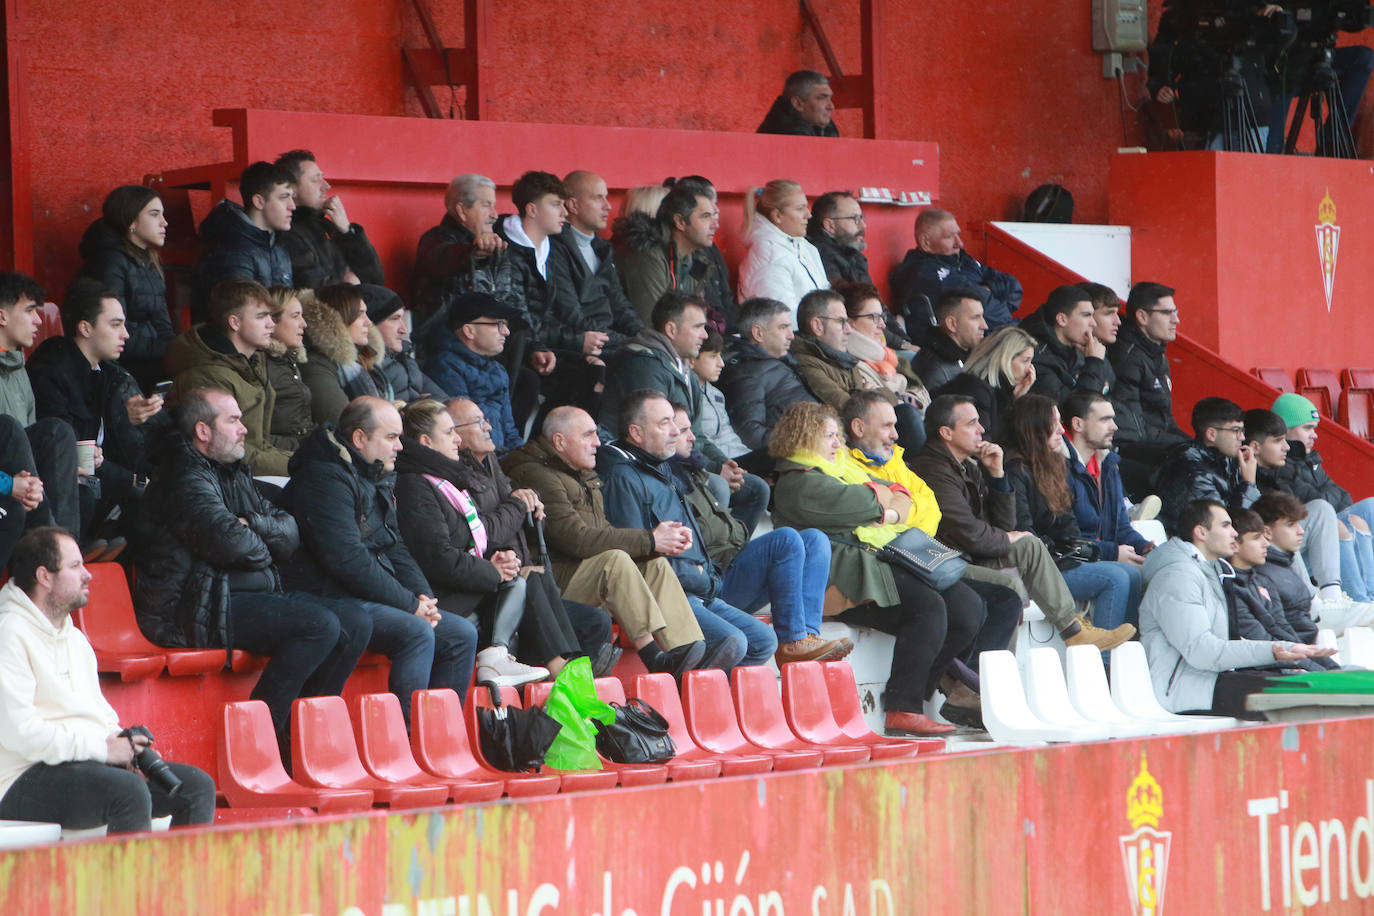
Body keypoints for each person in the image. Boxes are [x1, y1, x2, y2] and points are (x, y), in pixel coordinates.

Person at [132, 389, 369, 749]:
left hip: (242, 595)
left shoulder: (233, 471)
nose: (244, 429)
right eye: (233, 420)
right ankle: (256, 743)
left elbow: (290, 535)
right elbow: (230, 543)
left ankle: (302, 738)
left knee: (356, 622)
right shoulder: (183, 476)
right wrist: (260, 538)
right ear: (203, 431)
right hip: (194, 607)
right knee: (318, 625)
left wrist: (251, 525)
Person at [769, 401, 984, 736]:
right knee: (928, 608)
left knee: (969, 608)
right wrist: (886, 505)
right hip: (842, 582)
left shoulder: (840, 469)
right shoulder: (799, 483)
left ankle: (917, 693)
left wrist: (888, 503)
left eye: (837, 435)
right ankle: (902, 708)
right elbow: (870, 502)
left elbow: (901, 492)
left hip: (871, 566)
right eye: (829, 437)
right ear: (804, 437)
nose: (839, 444)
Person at [0, 527, 216, 833]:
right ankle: (126, 883)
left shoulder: (74, 638)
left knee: (195, 788)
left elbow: (99, 715)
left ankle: (182, 883)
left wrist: (124, 748)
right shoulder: (8, 633)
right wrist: (102, 750)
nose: (88, 575)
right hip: (18, 778)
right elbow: (20, 734)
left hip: (79, 765)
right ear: (44, 577)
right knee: (127, 792)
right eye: (75, 566)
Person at [281, 397, 479, 722]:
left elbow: (394, 545)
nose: (400, 446)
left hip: (361, 596)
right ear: (360, 438)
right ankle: (407, 741)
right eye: (390, 437)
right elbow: (347, 559)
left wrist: (422, 597)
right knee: (417, 632)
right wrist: (407, 604)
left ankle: (441, 739)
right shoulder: (325, 478)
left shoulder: (373, 475)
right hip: (326, 597)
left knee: (460, 634)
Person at [912, 394, 1135, 651]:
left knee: (1030, 546)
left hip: (969, 556)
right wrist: (1010, 537)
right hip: (947, 563)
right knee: (1014, 581)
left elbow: (1004, 524)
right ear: (946, 433)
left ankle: (1074, 631)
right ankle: (986, 679)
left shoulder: (968, 466)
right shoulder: (934, 471)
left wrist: (997, 477)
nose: (982, 429)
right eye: (972, 423)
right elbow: (972, 534)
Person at [503, 406, 707, 680]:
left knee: (654, 563)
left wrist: (652, 546)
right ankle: (653, 657)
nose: (598, 442)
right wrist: (650, 539)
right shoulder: (536, 474)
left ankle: (686, 651)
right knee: (616, 560)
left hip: (582, 572)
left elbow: (603, 532)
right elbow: (576, 539)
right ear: (560, 442)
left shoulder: (581, 472)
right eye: (588, 436)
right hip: (554, 582)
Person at [843, 391, 1021, 688]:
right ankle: (955, 691)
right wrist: (902, 514)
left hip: (918, 557)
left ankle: (969, 689)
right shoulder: (846, 466)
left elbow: (930, 510)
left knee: (1003, 598)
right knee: (954, 606)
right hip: (881, 564)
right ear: (859, 429)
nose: (896, 435)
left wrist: (897, 513)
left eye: (896, 426)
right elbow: (872, 522)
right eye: (887, 426)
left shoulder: (896, 462)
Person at [598, 393, 776, 670]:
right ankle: (688, 697)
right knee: (734, 642)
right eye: (665, 423)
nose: (675, 432)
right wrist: (696, 576)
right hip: (669, 594)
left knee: (763, 641)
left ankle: (703, 694)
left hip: (698, 588)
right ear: (636, 432)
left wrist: (707, 578)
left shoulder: (660, 467)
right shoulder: (623, 477)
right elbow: (633, 558)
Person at [443, 397, 619, 673]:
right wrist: (516, 504)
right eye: (478, 422)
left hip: (521, 574)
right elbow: (484, 533)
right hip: (490, 584)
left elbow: (510, 511)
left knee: (595, 621)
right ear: (453, 434)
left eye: (485, 419)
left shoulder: (490, 462)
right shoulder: (456, 476)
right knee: (532, 580)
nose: (488, 426)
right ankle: (562, 673)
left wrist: (527, 498)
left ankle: (580, 687)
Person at [667, 403, 850, 664]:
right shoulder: (667, 479)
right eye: (684, 429)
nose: (693, 436)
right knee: (785, 539)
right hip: (709, 584)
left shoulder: (694, 473)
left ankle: (808, 635)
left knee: (815, 539)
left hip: (726, 567)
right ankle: (791, 641)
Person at [394, 400, 558, 687]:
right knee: (518, 585)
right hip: (439, 594)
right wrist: (491, 571)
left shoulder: (446, 481)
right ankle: (514, 667)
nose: (458, 439)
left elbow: (472, 540)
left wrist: (499, 559)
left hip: (462, 583)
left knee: (519, 581)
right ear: (426, 441)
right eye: (449, 433)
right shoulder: (414, 485)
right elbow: (437, 557)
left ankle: (503, 666)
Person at [1140, 499, 1334, 717]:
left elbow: (1222, 644)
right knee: (1305, 698)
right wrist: (1273, 652)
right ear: (1201, 532)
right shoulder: (1177, 577)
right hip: (1184, 690)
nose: (1234, 533)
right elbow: (1202, 652)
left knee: (1315, 689)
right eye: (1225, 525)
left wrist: (1285, 649)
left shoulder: (1210, 571)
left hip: (1213, 680)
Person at [601, 292, 770, 533]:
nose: (705, 334)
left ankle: (726, 560)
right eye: (699, 327)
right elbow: (654, 439)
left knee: (755, 489)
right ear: (671, 329)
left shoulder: (685, 370)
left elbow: (696, 434)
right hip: (643, 464)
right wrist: (712, 469)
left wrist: (723, 464)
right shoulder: (643, 363)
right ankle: (698, 563)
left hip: (679, 459)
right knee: (718, 487)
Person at [27, 279, 163, 534]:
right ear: (85, 328)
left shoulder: (111, 375)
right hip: (66, 486)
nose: (126, 334)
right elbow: (68, 448)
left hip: (102, 481)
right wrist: (131, 481)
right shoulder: (51, 370)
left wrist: (128, 418)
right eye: (115, 325)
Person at [1006, 395, 1143, 640]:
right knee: (1116, 579)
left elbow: (1068, 527)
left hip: (1062, 559)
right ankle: (1102, 664)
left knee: (1131, 574)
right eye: (1054, 423)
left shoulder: (1052, 465)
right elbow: (1025, 533)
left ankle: (1123, 659)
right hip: (1039, 569)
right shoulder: (1015, 470)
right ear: (1035, 427)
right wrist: (1100, 551)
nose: (1061, 429)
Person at [1250, 400, 1374, 624]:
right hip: (1289, 548)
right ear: (1285, 429)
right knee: (1332, 515)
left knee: (1369, 508)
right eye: (1307, 427)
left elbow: (1343, 496)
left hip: (1309, 539)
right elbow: (1306, 503)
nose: (1314, 435)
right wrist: (1323, 498)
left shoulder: (1309, 459)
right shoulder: (1280, 466)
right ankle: (1344, 599)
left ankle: (1368, 599)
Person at [164, 277, 294, 476]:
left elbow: (259, 444)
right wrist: (298, 464)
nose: (271, 325)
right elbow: (225, 452)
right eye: (261, 317)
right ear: (234, 322)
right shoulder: (207, 375)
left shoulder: (252, 362)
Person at [0, 273, 81, 556]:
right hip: (6, 484)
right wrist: (11, 484)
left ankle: (65, 549)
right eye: (30, 310)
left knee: (58, 434)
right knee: (11, 427)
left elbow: (35, 440)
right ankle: (53, 551)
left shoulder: (19, 368)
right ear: (2, 316)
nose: (38, 321)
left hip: (23, 482)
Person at [790, 288, 924, 453]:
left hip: (867, 433)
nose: (848, 330)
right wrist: (867, 394)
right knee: (906, 415)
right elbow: (849, 408)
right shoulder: (806, 362)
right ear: (817, 326)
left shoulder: (843, 357)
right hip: (846, 443)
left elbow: (872, 400)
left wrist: (869, 395)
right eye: (841, 322)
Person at [76, 185, 173, 391]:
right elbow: (115, 331)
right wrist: (169, 350)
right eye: (155, 215)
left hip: (149, 357)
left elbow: (163, 323)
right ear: (131, 222)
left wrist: (175, 350)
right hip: (119, 363)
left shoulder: (151, 261)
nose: (164, 223)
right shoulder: (109, 262)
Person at [1225, 508, 1341, 671]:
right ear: (1235, 545)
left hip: (1292, 664)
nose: (1266, 543)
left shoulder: (1262, 580)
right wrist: (1322, 673)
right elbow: (1264, 643)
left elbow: (1282, 629)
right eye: (1257, 537)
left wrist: (1332, 668)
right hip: (1267, 676)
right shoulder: (1231, 590)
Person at [1250, 491, 1374, 639]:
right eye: (1291, 525)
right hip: (1308, 628)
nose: (1301, 531)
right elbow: (1294, 626)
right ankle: (1334, 601)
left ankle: (1333, 598)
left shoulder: (1282, 561)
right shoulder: (1266, 572)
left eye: (1298, 523)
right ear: (1267, 532)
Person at [547, 170, 645, 356]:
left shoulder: (602, 248)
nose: (607, 206)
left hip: (611, 341)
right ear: (573, 205)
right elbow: (571, 315)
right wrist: (627, 342)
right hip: (581, 347)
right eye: (598, 198)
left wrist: (643, 336)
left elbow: (620, 304)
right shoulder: (555, 248)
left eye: (606, 197)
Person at [1108, 281, 1189, 487]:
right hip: (1130, 451)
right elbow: (1133, 430)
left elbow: (1166, 420)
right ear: (1142, 317)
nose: (1176, 320)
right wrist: (1184, 446)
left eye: (1176, 312)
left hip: (1154, 446)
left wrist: (1196, 445)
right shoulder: (1126, 357)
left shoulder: (1157, 354)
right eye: (1167, 313)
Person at [421, 292, 526, 453]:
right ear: (469, 331)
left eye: (506, 324)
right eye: (498, 324)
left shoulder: (498, 370)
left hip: (499, 460)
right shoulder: (443, 367)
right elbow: (463, 434)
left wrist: (521, 457)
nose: (506, 332)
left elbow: (510, 431)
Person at [1061, 390, 1155, 566]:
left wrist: (1145, 548)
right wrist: (1111, 553)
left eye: (1112, 418)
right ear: (1077, 424)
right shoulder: (1058, 467)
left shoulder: (1108, 465)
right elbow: (1066, 539)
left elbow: (1121, 528)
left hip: (1104, 557)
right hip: (1072, 561)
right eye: (1104, 420)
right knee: (1125, 578)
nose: (1114, 426)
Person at [890, 208, 1022, 334]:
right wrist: (995, 299)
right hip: (978, 346)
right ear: (925, 242)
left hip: (1003, 332)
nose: (959, 243)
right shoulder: (922, 272)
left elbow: (1014, 287)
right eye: (949, 237)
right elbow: (977, 307)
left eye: (958, 234)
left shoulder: (963, 260)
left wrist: (988, 293)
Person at [191, 161, 295, 318]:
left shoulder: (278, 247)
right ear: (259, 201)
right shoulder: (231, 250)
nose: (292, 206)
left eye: (292, 198)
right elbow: (241, 321)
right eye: (283, 198)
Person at [718, 297, 819, 455]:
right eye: (783, 327)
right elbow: (750, 433)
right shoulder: (748, 373)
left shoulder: (779, 361)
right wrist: (802, 445)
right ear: (758, 333)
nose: (791, 335)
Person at [615, 182, 725, 325]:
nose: (715, 224)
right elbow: (652, 325)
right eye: (705, 216)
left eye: (713, 216)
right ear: (680, 222)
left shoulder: (693, 258)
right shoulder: (648, 255)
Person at [273, 149, 384, 288]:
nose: (326, 186)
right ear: (292, 190)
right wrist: (349, 287)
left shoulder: (328, 225)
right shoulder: (288, 232)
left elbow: (376, 277)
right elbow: (312, 287)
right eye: (316, 180)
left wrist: (347, 231)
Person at [1154, 397, 1260, 536]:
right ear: (1211, 434)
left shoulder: (1228, 460)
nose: (1241, 437)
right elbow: (1227, 527)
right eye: (1236, 430)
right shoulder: (1191, 469)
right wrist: (1249, 484)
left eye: (1242, 431)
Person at [412, 173, 509, 321]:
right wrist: (475, 253)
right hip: (446, 337)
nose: (495, 215)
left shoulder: (498, 243)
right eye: (486, 205)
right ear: (462, 211)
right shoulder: (435, 239)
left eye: (493, 206)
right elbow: (446, 258)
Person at [738, 180, 828, 320]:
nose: (808, 215)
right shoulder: (769, 256)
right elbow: (784, 320)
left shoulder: (806, 248)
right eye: (800, 208)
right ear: (777, 216)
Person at [933, 326, 1037, 447]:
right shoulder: (976, 389)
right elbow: (984, 443)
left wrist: (1015, 399)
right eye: (1025, 361)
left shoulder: (994, 389)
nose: (1030, 369)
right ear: (1005, 359)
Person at [299, 283, 386, 425]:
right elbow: (344, 425)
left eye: (366, 314)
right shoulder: (316, 366)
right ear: (337, 321)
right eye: (359, 315)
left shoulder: (361, 359)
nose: (368, 322)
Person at [834, 281, 925, 404]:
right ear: (849, 322)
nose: (882, 325)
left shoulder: (888, 355)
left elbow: (925, 398)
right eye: (874, 318)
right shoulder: (852, 366)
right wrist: (901, 384)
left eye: (882, 317)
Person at [1021, 285, 1111, 401]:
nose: (1093, 323)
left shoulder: (1080, 350)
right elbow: (1077, 408)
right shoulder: (1036, 355)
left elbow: (1109, 389)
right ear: (1062, 319)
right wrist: (1094, 362)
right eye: (1086, 315)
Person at [364, 284, 446, 405]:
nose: (404, 329)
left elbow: (444, 401)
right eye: (394, 319)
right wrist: (423, 404)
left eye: (402, 319)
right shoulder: (364, 365)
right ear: (370, 324)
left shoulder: (405, 356)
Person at [262, 286, 314, 451]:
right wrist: (305, 448)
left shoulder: (288, 360)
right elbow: (255, 438)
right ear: (271, 322)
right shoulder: (261, 365)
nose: (304, 324)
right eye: (295, 316)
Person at [912, 289, 987, 392]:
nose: (985, 326)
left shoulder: (968, 355)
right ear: (952, 324)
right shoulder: (936, 371)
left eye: (982, 317)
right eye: (975, 318)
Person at [806, 191, 870, 284]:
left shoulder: (852, 253)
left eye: (861, 218)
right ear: (830, 225)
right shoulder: (819, 255)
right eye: (855, 218)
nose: (863, 225)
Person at [757, 70, 838, 137]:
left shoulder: (814, 120)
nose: (831, 106)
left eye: (830, 98)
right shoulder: (789, 134)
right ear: (798, 104)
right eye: (822, 98)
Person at [1076, 281, 1123, 392]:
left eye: (1117, 313)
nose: (1118, 321)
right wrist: (1093, 362)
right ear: (1087, 315)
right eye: (1108, 313)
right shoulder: (1066, 360)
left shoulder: (1101, 354)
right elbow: (1082, 405)